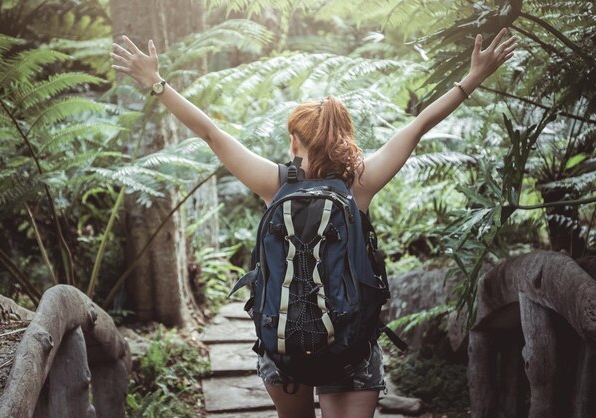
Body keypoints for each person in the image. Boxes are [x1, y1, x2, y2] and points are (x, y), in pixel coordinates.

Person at [111, 27, 517, 418]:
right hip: (351, 345)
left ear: (295, 142)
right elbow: (419, 125)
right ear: (344, 138)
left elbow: (211, 134)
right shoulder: (360, 184)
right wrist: (473, 77)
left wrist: (157, 83)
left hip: (283, 345)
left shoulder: (274, 184)